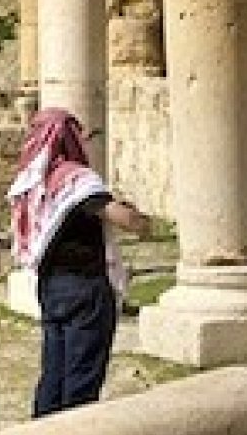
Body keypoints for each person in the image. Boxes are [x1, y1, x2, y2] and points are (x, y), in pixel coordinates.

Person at [8, 108, 150, 418]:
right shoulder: (76, 179)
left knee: (53, 373)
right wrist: (140, 221)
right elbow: (121, 217)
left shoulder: (33, 180)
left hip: (51, 285)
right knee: (81, 377)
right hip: (84, 287)